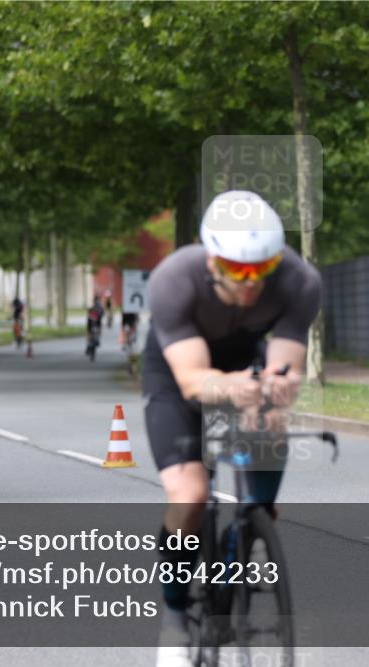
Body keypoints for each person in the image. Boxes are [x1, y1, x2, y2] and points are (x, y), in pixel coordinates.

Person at [142, 190, 320, 667]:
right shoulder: (174, 280)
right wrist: (232, 389)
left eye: (261, 270)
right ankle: (176, 617)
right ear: (211, 258)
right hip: (180, 372)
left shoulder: (299, 281)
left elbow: (285, 369)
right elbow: (192, 380)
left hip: (245, 361)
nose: (250, 282)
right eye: (238, 269)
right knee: (191, 495)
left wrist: (273, 396)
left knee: (273, 421)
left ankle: (249, 526)